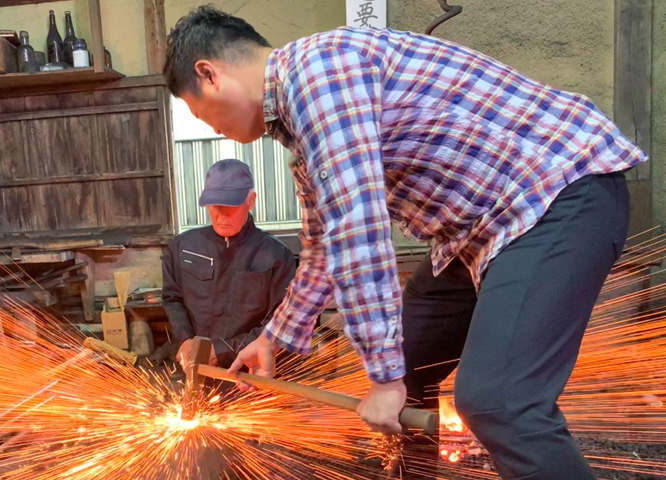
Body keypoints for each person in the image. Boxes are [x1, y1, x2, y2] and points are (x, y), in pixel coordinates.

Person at [163, 7, 647, 479]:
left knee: (499, 401)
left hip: (555, 192)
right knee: (412, 354)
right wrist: (275, 337)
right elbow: (324, 249)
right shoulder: (300, 132)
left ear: (209, 74)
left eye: (197, 112)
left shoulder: (319, 75)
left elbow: (359, 229)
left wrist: (383, 378)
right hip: (475, 232)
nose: (209, 127)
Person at [162, 158, 296, 370]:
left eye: (231, 205)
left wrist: (224, 350)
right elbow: (172, 298)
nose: (222, 213)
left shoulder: (276, 256)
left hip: (248, 371)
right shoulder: (183, 247)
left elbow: (279, 320)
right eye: (215, 205)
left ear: (250, 201)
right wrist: (185, 340)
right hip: (196, 370)